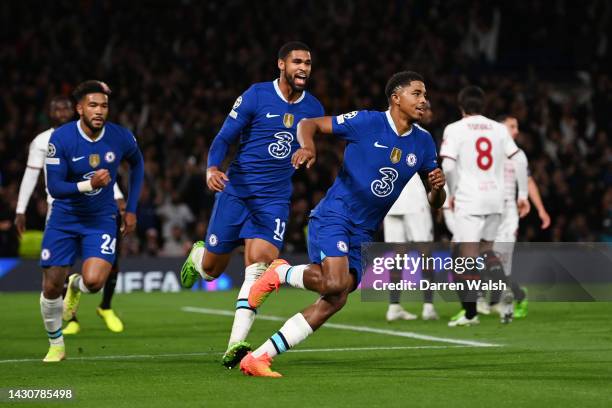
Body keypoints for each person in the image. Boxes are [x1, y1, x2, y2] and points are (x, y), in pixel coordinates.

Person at [240, 71, 446, 377]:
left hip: (364, 230)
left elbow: (435, 202)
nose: (423, 100)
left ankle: (259, 357)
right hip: (336, 214)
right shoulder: (366, 122)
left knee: (336, 298)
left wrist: (438, 188)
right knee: (335, 284)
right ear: (396, 98)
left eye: (424, 95)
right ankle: (279, 273)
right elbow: (308, 124)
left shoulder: (424, 142)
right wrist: (308, 146)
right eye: (416, 93)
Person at [179, 41, 325, 369]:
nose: (304, 68)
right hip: (237, 192)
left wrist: (309, 152)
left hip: (273, 200)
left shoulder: (314, 107)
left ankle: (235, 346)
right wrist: (213, 168)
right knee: (212, 269)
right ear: (281, 64)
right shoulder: (256, 95)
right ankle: (198, 257)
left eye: (309, 63)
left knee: (258, 270)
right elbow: (224, 137)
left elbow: (310, 143)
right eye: (297, 61)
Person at [40, 80, 144, 362]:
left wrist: (131, 208)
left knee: (95, 282)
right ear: (79, 108)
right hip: (64, 217)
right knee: (50, 287)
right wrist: (90, 185)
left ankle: (76, 287)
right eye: (93, 105)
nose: (99, 111)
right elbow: (55, 187)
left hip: (100, 218)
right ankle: (56, 344)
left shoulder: (120, 136)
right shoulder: (61, 139)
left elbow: (138, 164)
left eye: (104, 106)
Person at [15, 96, 125, 335]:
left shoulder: (93, 137)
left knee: (107, 263)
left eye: (65, 107)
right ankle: (71, 319)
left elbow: (102, 173)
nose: (62, 111)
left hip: (97, 208)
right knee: (60, 269)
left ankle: (105, 306)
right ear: (50, 112)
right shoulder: (42, 141)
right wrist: (20, 209)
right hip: (61, 209)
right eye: (57, 107)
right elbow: (31, 176)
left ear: (75, 110)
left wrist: (118, 196)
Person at [440, 86, 528, 327]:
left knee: (464, 257)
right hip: (496, 198)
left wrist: (453, 191)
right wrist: (524, 195)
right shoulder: (498, 128)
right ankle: (506, 292)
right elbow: (519, 158)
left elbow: (447, 166)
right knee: (487, 251)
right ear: (483, 106)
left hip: (470, 198)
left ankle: (470, 314)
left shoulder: (454, 129)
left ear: (461, 107)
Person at [490, 114, 551, 318]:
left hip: (508, 212)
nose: (516, 131)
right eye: (512, 126)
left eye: (517, 126)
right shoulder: (488, 151)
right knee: (485, 256)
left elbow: (529, 181)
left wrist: (540, 209)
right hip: (487, 210)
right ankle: (507, 295)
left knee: (501, 260)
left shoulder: (517, 155)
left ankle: (508, 297)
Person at [383, 100, 438, 321]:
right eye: (425, 108)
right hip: (414, 197)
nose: (428, 112)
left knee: (397, 256)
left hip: (390, 199)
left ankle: (394, 306)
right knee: (426, 253)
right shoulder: (421, 135)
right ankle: (428, 306)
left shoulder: (382, 131)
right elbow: (431, 173)